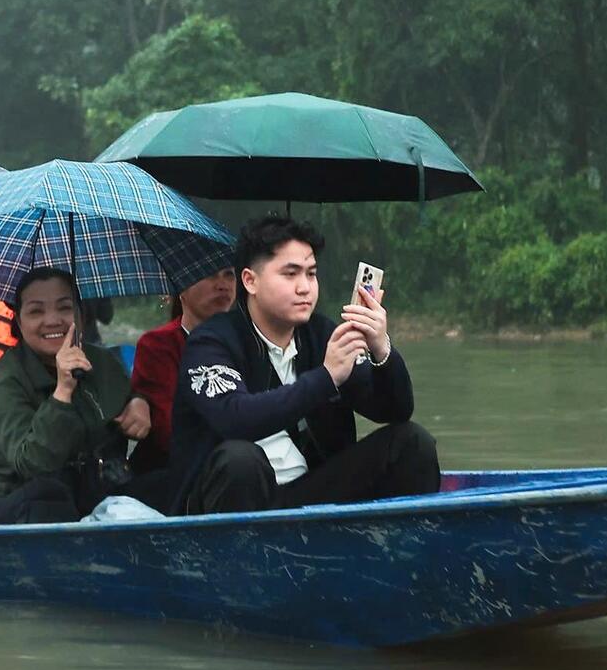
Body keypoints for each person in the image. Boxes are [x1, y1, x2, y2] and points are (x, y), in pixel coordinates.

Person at [172, 215, 440, 514]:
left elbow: (394, 410)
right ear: (250, 281)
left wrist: (381, 348)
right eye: (290, 274)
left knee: (411, 442)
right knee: (240, 459)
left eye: (311, 274)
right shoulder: (210, 343)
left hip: (309, 494)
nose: (305, 288)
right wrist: (326, 378)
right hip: (230, 500)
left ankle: (407, 542)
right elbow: (235, 419)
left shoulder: (323, 335)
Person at [0, 268, 174, 514]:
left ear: (80, 314)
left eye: (65, 308)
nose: (52, 320)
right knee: (50, 496)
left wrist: (138, 403)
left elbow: (128, 396)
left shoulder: (101, 361)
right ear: (19, 322)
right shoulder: (4, 379)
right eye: (36, 311)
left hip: (95, 491)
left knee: (170, 484)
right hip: (18, 504)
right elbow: (33, 463)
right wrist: (63, 391)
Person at [129, 267, 236, 474]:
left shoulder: (247, 340)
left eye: (229, 275)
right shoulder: (158, 345)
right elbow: (170, 430)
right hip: (176, 471)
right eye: (209, 274)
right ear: (181, 287)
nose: (222, 285)